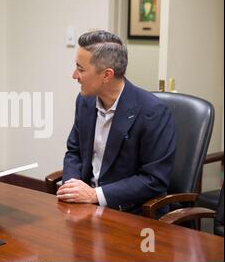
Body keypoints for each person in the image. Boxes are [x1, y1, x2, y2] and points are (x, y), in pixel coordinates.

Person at [57, 30, 176, 214]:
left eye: (81, 69)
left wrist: (95, 195)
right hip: (85, 208)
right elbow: (74, 152)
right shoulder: (85, 102)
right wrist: (72, 187)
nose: (74, 75)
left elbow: (154, 179)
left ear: (107, 75)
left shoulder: (152, 112)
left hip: (132, 213)